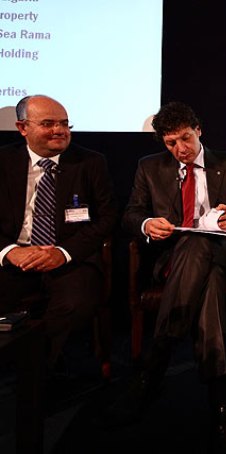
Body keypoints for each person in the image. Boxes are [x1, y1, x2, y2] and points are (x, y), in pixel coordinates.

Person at [110, 101, 226, 451]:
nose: (180, 149)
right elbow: (130, 215)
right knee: (207, 281)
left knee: (202, 244)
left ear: (199, 130)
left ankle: (153, 367)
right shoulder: (149, 167)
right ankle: (221, 403)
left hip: (222, 251)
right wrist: (147, 224)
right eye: (171, 143)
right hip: (173, 258)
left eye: (185, 138)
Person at [0, 95, 117, 371]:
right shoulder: (3, 161)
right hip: (16, 257)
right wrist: (10, 252)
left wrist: (63, 253)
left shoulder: (90, 162)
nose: (59, 130)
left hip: (71, 259)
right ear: (22, 128)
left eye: (64, 123)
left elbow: (108, 218)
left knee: (73, 305)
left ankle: (34, 372)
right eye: (48, 124)